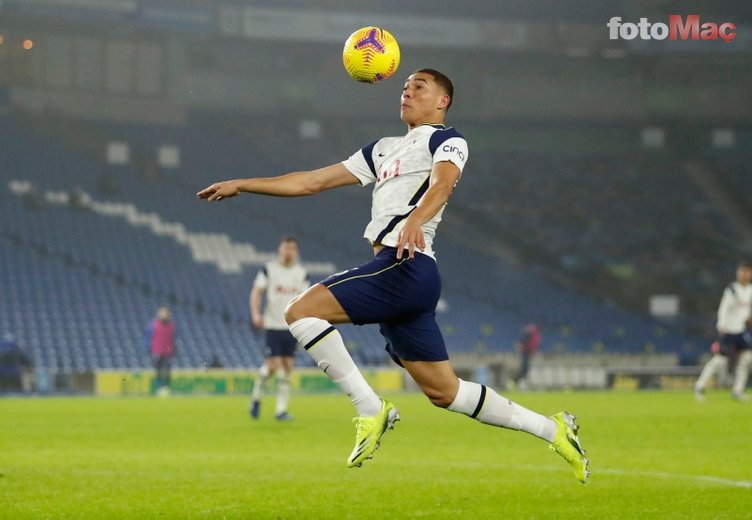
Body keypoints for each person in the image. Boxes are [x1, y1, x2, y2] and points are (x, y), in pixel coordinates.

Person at [197, 68, 589, 482]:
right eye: (404, 87)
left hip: (406, 264)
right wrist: (242, 183)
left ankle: (370, 409)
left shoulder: (447, 139)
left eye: (419, 87)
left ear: (443, 101)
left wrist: (417, 219)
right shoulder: (382, 150)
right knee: (445, 392)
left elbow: (442, 184)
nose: (407, 92)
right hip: (407, 275)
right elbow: (309, 182)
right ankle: (554, 429)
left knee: (299, 312)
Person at [249, 236, 310, 421]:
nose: (288, 251)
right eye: (286, 248)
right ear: (279, 249)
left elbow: (305, 299)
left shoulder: (301, 273)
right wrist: (256, 313)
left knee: (288, 366)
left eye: (292, 248)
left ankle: (281, 410)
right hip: (273, 324)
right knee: (273, 366)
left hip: (291, 327)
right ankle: (256, 396)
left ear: (296, 251)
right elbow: (257, 291)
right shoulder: (269, 269)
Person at [695, 261, 752, 402]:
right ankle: (699, 386)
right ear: (738, 273)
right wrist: (721, 325)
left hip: (741, 330)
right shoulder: (732, 290)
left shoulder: (751, 290)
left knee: (747, 358)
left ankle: (737, 390)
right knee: (720, 361)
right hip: (729, 330)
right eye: (742, 271)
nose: (745, 274)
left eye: (747, 271)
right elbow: (723, 308)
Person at [146, 307, 176, 397]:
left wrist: (174, 350)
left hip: (168, 352)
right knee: (158, 370)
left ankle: (167, 387)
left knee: (167, 370)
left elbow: (173, 339)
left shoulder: (171, 325)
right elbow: (148, 338)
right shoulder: (153, 325)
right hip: (157, 351)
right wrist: (149, 348)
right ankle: (159, 387)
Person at [514, 323, 541, 390]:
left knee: (525, 369)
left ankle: (519, 382)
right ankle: (517, 382)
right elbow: (526, 341)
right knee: (525, 369)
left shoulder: (533, 333)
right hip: (526, 352)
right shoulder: (533, 333)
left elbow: (531, 343)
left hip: (527, 353)